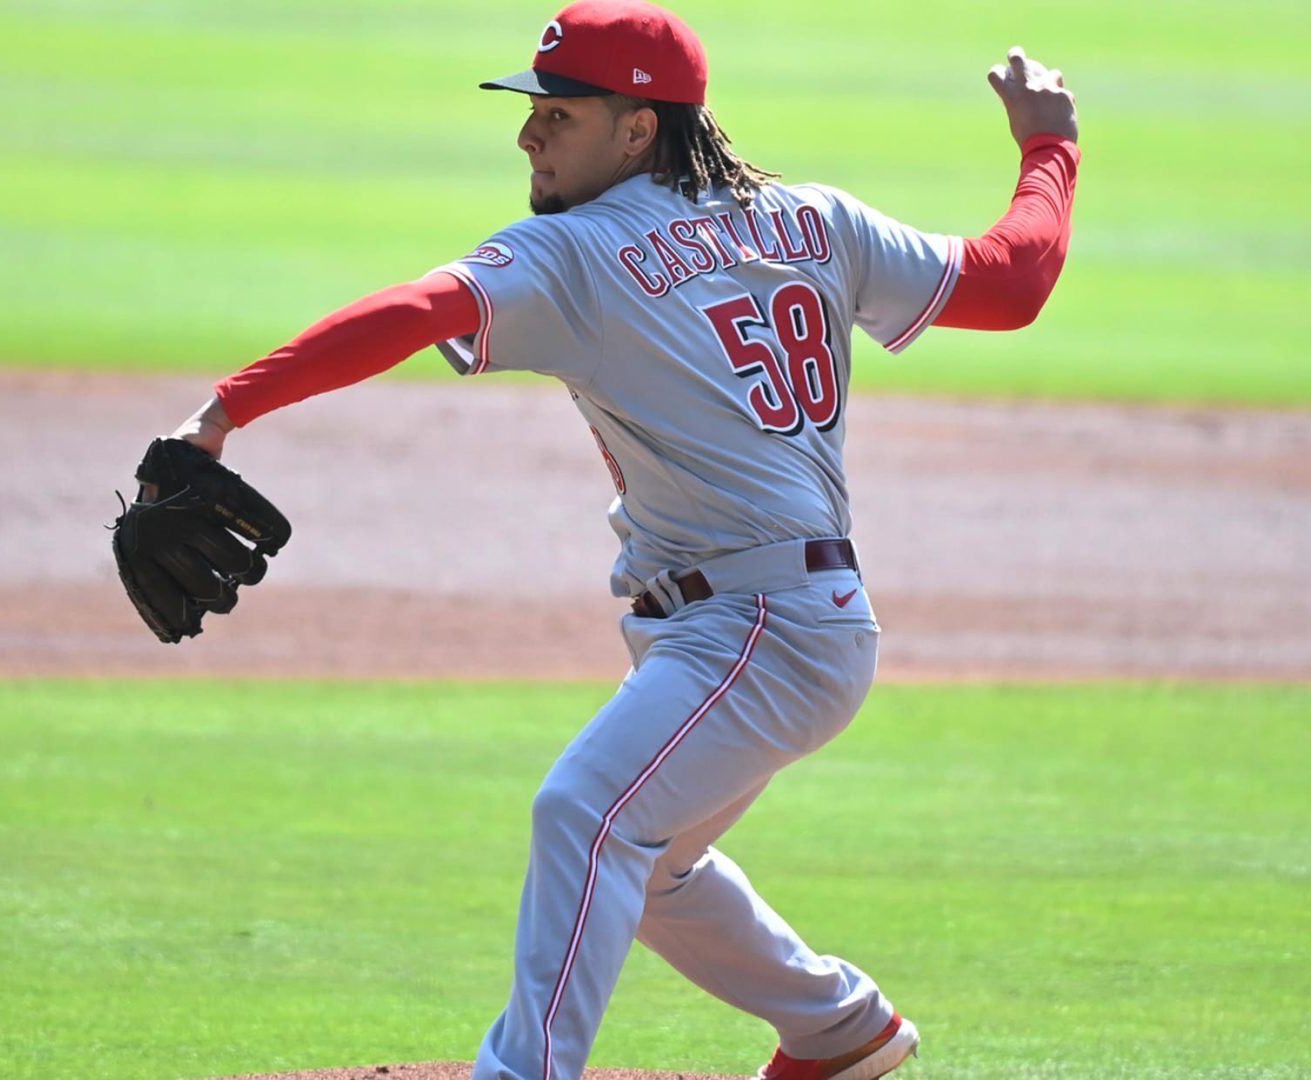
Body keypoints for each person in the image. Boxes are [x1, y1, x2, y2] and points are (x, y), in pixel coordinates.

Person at [162, 2, 1078, 1076]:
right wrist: (1048, 147)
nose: (528, 135)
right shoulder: (813, 219)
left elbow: (414, 312)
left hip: (763, 628)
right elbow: (1011, 280)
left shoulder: (577, 251)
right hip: (781, 621)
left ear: (639, 129)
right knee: (651, 863)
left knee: (585, 811)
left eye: (559, 114)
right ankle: (838, 1028)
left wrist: (225, 410)